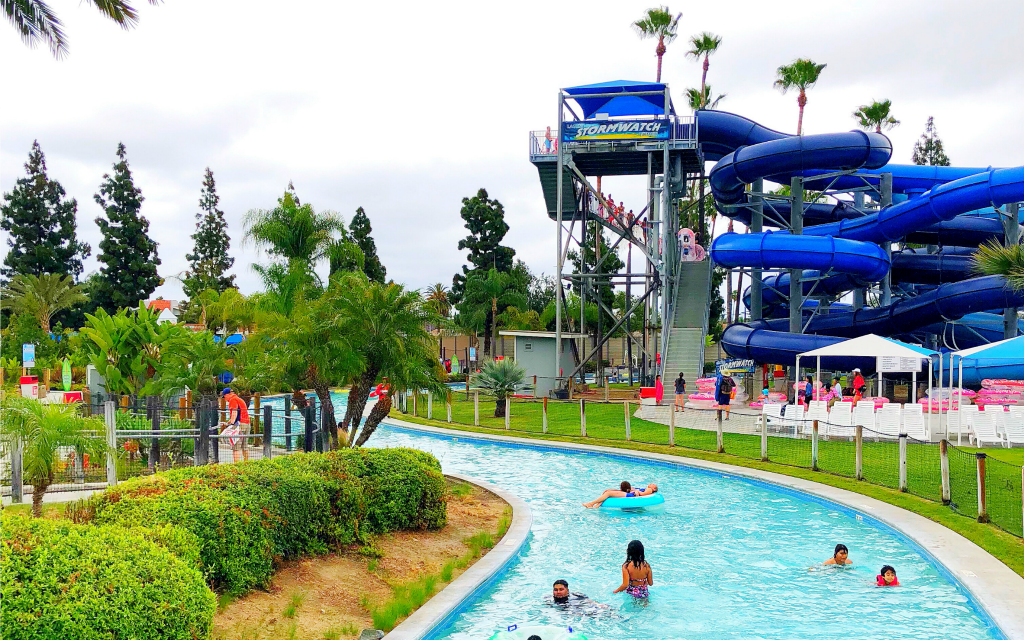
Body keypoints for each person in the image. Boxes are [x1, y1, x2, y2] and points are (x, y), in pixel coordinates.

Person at [221, 387, 251, 462]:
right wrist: (228, 422)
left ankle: (236, 465)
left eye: (224, 397)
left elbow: (234, 413)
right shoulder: (239, 399)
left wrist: (231, 423)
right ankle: (246, 463)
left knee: (236, 446)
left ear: (227, 395)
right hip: (247, 423)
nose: (225, 399)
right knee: (245, 446)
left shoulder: (232, 400)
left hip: (239, 425)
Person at [583, 481, 659, 508]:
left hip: (631, 495)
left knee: (608, 493)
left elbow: (642, 494)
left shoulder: (649, 489)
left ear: (654, 489)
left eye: (653, 485)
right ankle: (596, 506)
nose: (651, 484)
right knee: (608, 491)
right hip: (630, 493)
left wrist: (637, 491)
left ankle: (591, 503)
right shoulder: (646, 488)